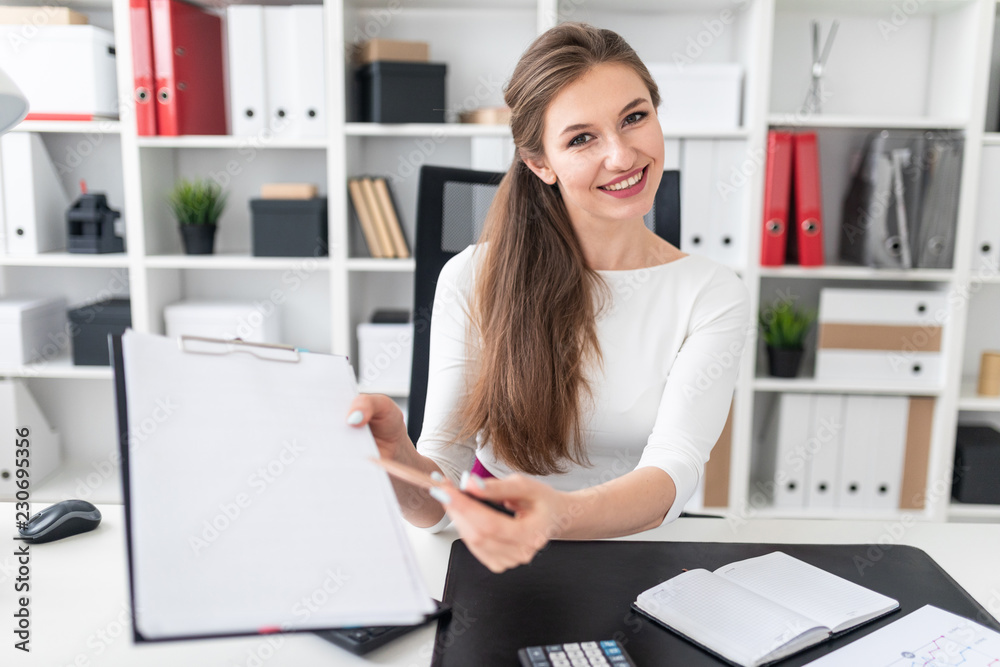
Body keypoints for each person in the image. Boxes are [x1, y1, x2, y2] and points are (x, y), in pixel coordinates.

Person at [346, 22, 750, 573]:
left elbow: (673, 473)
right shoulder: (473, 276)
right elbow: (439, 501)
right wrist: (400, 464)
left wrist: (556, 516)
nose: (622, 155)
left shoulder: (712, 292)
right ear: (540, 164)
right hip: (500, 555)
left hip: (640, 559)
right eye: (582, 138)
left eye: (635, 117)